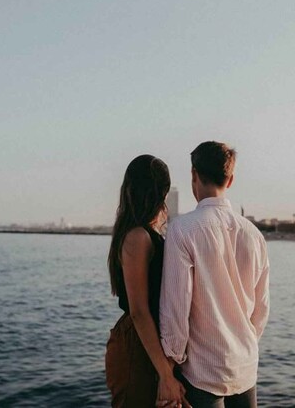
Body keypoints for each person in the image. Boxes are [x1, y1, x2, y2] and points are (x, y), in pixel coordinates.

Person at [160, 141, 270, 408]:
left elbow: (176, 307)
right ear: (230, 180)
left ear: (193, 175)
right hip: (244, 365)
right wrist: (242, 343)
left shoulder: (182, 230)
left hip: (202, 370)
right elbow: (262, 308)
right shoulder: (254, 235)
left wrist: (169, 365)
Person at [105, 155, 188, 408]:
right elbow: (139, 310)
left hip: (149, 342)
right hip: (137, 344)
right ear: (159, 191)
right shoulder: (138, 237)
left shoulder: (143, 233)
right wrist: (165, 374)